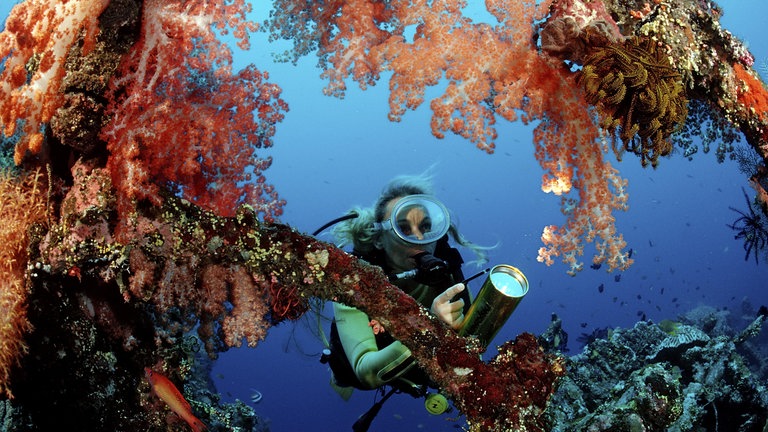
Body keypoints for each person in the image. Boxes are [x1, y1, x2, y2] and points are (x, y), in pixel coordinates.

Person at [324, 171, 491, 402]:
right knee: (345, 378)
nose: (419, 239)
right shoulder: (354, 282)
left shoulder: (449, 275)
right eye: (403, 228)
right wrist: (429, 328)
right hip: (365, 368)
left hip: (415, 368)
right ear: (380, 239)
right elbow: (366, 373)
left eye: (425, 227)